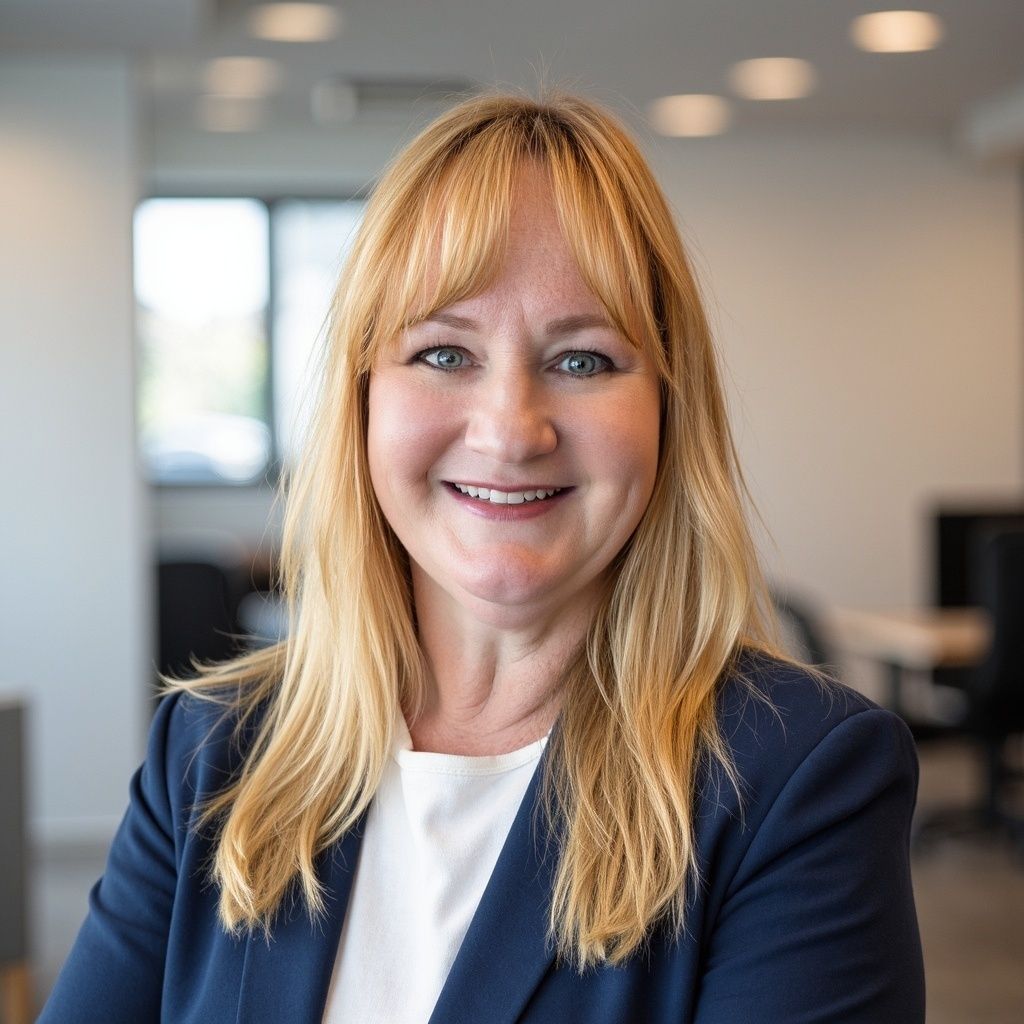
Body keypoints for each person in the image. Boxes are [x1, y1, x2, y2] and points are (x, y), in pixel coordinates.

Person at [41, 92, 925, 1023]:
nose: (510, 431)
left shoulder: (799, 781)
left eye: (583, 360)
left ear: (668, 408)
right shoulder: (210, 754)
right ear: (363, 401)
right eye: (443, 354)